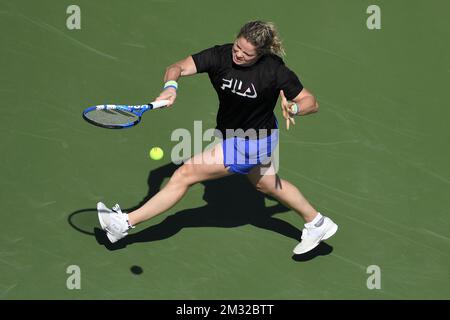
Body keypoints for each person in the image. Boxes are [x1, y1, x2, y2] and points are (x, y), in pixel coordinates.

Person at [97, 21, 338, 255]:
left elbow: (311, 103)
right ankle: (317, 223)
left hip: (250, 142)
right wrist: (171, 86)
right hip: (244, 135)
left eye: (246, 53)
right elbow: (177, 67)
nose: (238, 55)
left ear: (261, 54)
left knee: (185, 174)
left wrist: (293, 109)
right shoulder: (220, 56)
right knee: (264, 183)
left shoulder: (274, 71)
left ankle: (123, 224)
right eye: (237, 47)